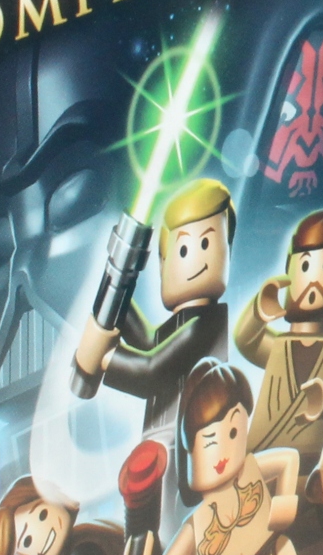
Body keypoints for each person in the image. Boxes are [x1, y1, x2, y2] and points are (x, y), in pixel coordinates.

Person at [129, 359, 323, 555]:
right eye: (210, 440)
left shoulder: (250, 469)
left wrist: (283, 502)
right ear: (192, 451)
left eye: (233, 432)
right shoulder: (194, 526)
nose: (223, 451)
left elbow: (288, 459)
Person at [73, 178, 236, 432]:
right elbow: (151, 343)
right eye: (183, 250)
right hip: (160, 439)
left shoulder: (205, 325)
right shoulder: (185, 323)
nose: (194, 259)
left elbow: (151, 373)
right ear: (162, 262)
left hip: (191, 443)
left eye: (205, 244)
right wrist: (118, 296)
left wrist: (104, 356)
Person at [232, 208, 323, 472]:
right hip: (259, 455)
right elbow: (245, 340)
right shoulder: (278, 346)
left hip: (306, 460)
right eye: (306, 265)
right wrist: (259, 310)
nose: (313, 281)